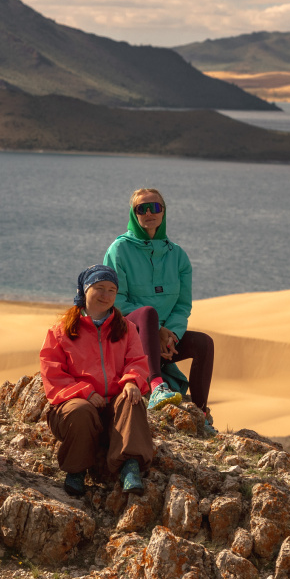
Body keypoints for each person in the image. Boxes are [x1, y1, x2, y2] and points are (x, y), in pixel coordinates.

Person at [104, 187, 216, 433]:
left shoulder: (178, 256)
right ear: (134, 214)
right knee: (147, 312)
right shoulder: (119, 250)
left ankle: (201, 414)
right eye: (141, 208)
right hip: (128, 337)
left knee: (204, 343)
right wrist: (156, 330)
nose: (149, 213)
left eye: (155, 207)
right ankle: (156, 386)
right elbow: (116, 301)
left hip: (165, 341)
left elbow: (182, 305)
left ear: (163, 212)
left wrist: (171, 335)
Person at [39, 265, 156, 497]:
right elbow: (52, 373)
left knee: (131, 400)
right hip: (76, 408)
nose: (106, 295)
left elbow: (137, 361)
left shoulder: (127, 328)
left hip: (113, 409)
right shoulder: (60, 331)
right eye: (100, 288)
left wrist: (132, 381)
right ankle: (76, 470)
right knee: (80, 411)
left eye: (112, 290)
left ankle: (130, 466)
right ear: (85, 290)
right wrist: (84, 392)